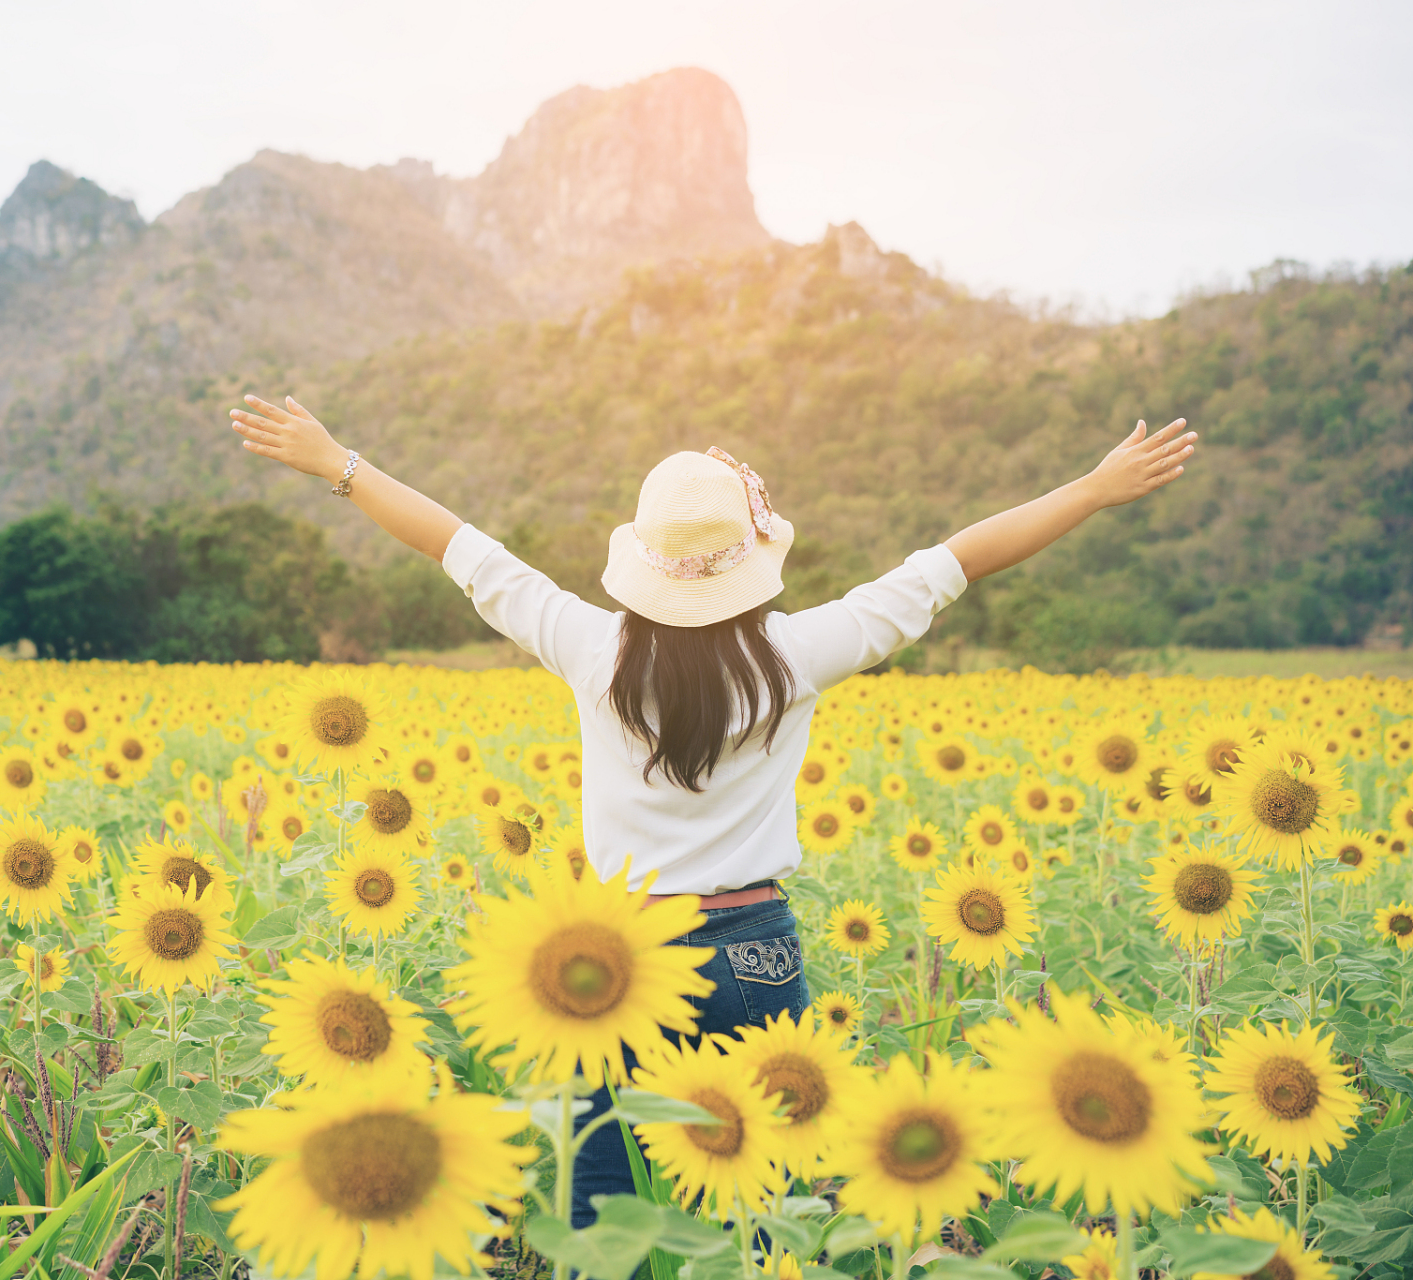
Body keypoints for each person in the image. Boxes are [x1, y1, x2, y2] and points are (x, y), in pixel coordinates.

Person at [228, 394, 1196, 1224]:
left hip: (610, 960)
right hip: (752, 949)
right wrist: (1090, 487)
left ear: (639, 563)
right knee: (763, 1213)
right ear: (749, 563)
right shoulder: (793, 655)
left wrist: (335, 462)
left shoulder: (589, 649)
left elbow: (459, 547)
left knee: (599, 1210)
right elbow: (949, 565)